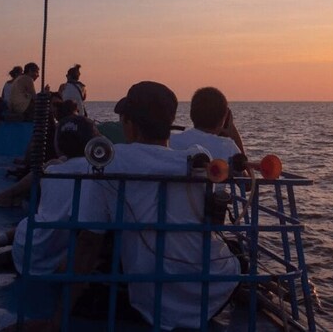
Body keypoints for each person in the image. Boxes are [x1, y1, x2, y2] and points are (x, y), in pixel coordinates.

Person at [73, 81, 240, 330]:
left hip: (150, 297)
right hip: (213, 286)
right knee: (236, 252)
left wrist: (57, 317)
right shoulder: (198, 159)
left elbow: (90, 240)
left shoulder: (109, 163)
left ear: (129, 124)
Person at [0, 113, 99, 274]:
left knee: (40, 228)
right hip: (55, 257)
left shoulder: (51, 170)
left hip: (27, 242)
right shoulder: (99, 174)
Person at [170, 86, 245, 160]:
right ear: (224, 117)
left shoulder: (170, 141)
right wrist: (234, 134)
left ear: (191, 114)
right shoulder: (228, 148)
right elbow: (245, 168)